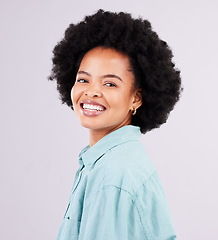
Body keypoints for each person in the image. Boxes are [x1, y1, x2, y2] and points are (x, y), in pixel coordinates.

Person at [49, 9, 182, 240]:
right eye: (83, 79)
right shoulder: (108, 163)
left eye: (109, 84)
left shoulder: (113, 178)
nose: (92, 91)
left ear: (136, 98)